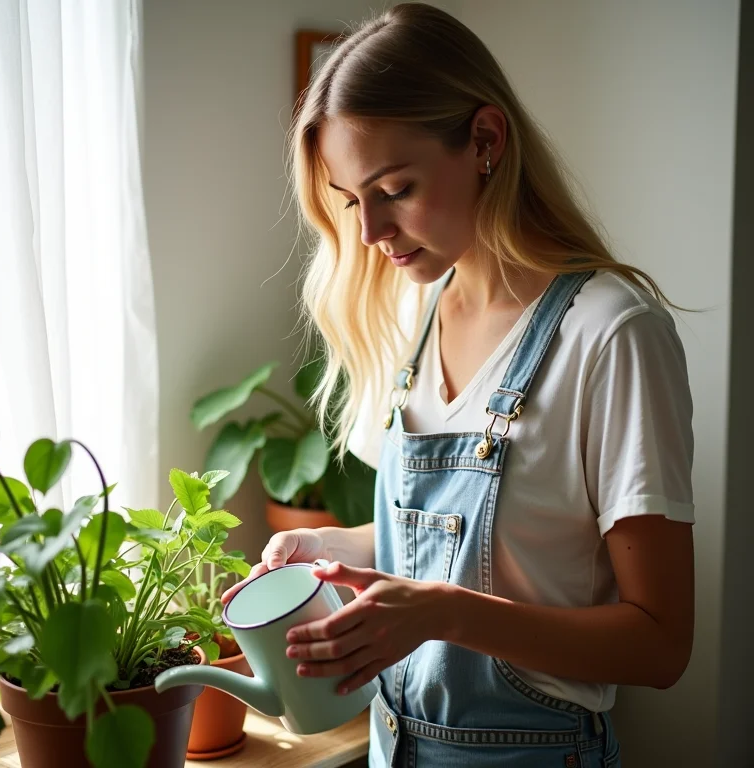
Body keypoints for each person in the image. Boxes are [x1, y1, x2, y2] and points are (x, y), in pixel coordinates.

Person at [222, 4, 695, 766]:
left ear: (485, 140)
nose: (370, 233)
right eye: (350, 201)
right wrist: (330, 546)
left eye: (394, 188)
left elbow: (662, 643)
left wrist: (444, 614)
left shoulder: (611, 333)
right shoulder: (417, 309)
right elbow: (490, 544)